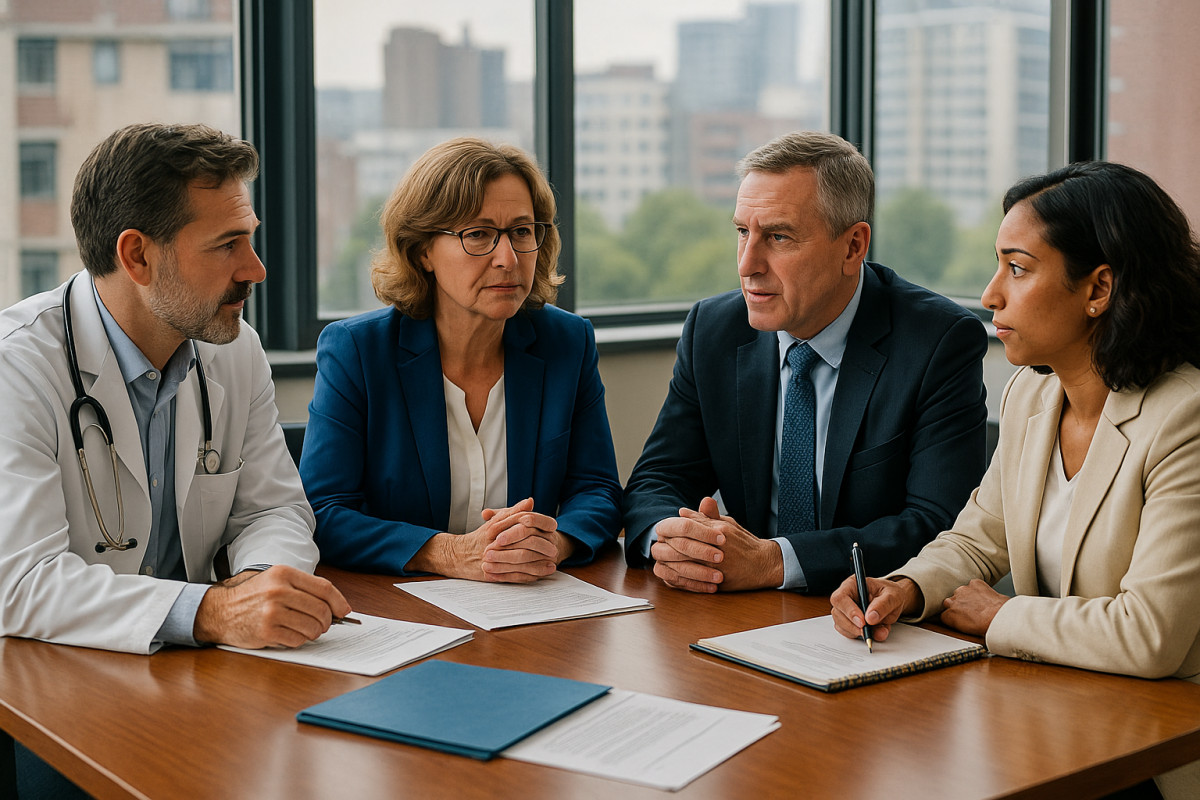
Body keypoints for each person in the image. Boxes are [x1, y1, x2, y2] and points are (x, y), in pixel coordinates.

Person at [831, 161, 1200, 799]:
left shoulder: (1184, 418)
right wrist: (906, 589)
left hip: (1152, 752)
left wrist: (1001, 614)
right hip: (1053, 718)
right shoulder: (1030, 396)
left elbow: (1150, 636)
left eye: (1018, 269)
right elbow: (977, 540)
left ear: (1099, 288)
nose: (990, 294)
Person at [0, 122, 349, 655]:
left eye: (249, 238)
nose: (256, 269)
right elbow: (22, 582)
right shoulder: (17, 366)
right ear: (138, 256)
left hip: (192, 669)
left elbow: (274, 510)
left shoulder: (235, 348)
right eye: (227, 245)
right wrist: (211, 611)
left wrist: (257, 584)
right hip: (57, 671)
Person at [622, 130, 988, 595]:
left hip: (870, 613)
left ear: (853, 246)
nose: (747, 264)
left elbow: (938, 526)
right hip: (743, 611)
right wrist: (673, 541)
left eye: (778, 237)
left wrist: (775, 561)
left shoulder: (938, 341)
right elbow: (657, 479)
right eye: (742, 232)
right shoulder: (713, 330)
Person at [301, 137, 622, 582]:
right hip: (401, 603)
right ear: (422, 251)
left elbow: (599, 490)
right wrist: (448, 553)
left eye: (522, 232)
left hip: (530, 601)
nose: (507, 259)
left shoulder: (567, 342)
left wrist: (551, 543)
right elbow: (323, 511)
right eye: (478, 235)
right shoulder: (356, 351)